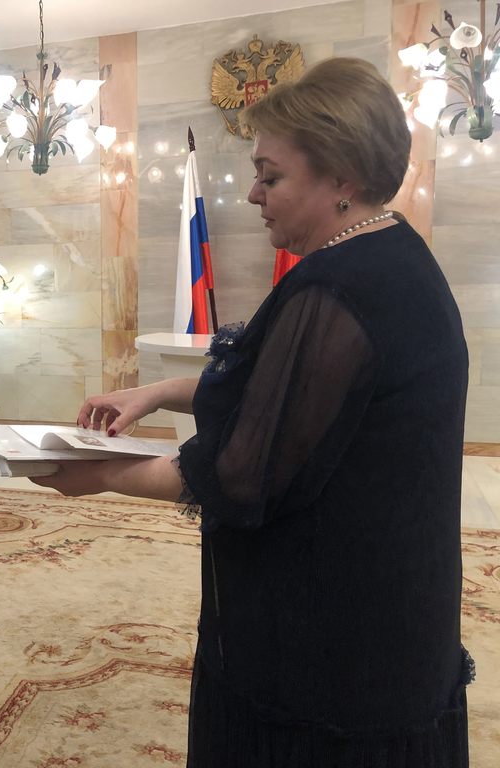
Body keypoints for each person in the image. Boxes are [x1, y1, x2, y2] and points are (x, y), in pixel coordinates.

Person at [34, 58, 472, 766]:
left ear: (341, 177)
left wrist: (98, 474)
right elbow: (287, 391)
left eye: (271, 175)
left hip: (330, 645)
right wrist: (154, 393)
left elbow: (243, 474)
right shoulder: (392, 256)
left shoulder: (337, 288)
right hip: (391, 611)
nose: (253, 194)